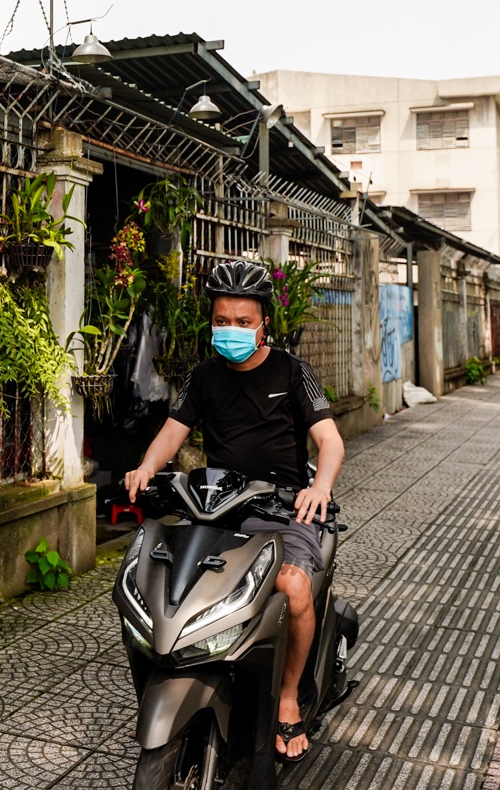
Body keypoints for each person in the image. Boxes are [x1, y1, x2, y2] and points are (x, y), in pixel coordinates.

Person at [123, 259, 345, 762]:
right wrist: (145, 468)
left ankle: (287, 697)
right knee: (164, 577)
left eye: (243, 322)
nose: (231, 330)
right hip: (217, 505)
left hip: (282, 508)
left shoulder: (294, 372)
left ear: (264, 323)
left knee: (293, 587)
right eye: (222, 320)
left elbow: (330, 441)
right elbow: (172, 433)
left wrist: (320, 487)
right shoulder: (203, 377)